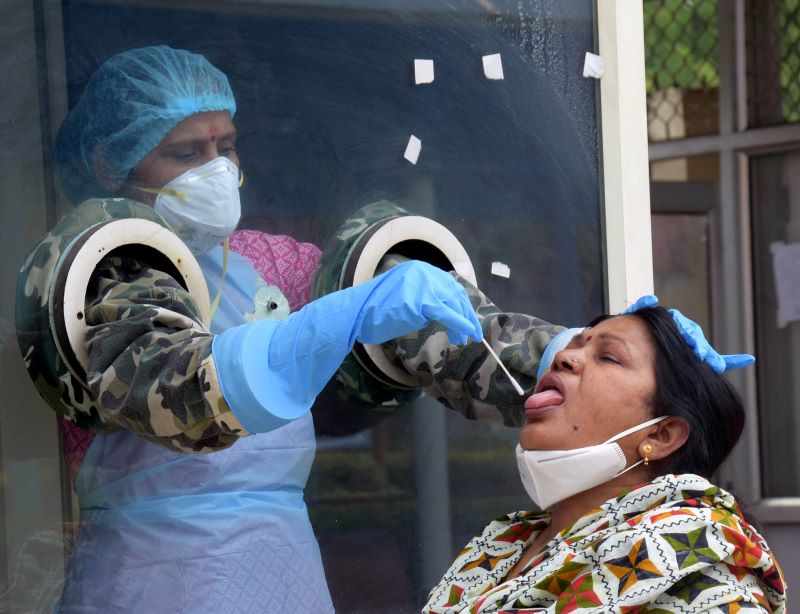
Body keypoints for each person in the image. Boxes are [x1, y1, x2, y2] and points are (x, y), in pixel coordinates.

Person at [18, 45, 560, 612]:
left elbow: (436, 336)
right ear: (112, 164)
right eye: (186, 153)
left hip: (284, 565)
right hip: (151, 578)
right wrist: (333, 321)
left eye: (226, 147)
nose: (217, 170)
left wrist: (563, 358)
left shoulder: (268, 262)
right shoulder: (99, 272)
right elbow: (173, 387)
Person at [422, 296, 787, 613]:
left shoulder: (701, 576)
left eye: (609, 357)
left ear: (661, 435)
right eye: (575, 344)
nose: (563, 356)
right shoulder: (504, 541)